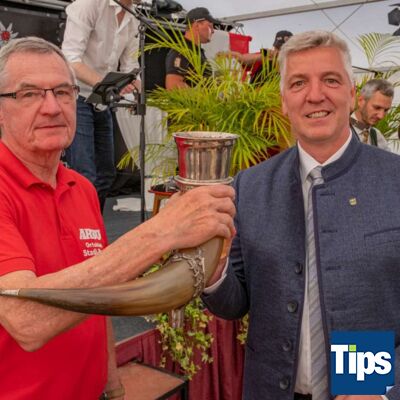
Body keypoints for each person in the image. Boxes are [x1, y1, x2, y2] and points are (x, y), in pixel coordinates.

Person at [0, 36, 235, 400]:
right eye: (29, 94)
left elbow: (100, 296)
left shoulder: (81, 188)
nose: (52, 107)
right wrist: (162, 232)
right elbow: (26, 319)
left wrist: (113, 387)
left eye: (63, 92)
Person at [203, 30, 400, 400]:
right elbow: (235, 302)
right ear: (283, 101)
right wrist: (212, 269)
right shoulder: (251, 185)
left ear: (352, 93)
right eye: (298, 83)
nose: (315, 95)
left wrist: (377, 386)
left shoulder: (394, 180)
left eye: (330, 80)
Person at [62, 0, 141, 212]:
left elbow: (131, 67)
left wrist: (136, 88)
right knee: (85, 175)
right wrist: (107, 85)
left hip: (102, 100)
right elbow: (70, 59)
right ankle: (78, 227)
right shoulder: (89, 4)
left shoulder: (134, 17)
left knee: (106, 175)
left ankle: (93, 225)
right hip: (76, 96)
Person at [165, 7, 220, 89]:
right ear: (197, 25)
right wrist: (201, 95)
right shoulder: (182, 49)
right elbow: (173, 85)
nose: (213, 31)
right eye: (210, 26)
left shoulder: (198, 51)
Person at [224, 30, 293, 86]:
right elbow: (241, 58)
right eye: (278, 48)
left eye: (285, 49)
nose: (280, 52)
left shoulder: (295, 64)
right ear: (274, 47)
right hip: (256, 97)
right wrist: (264, 56)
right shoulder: (265, 57)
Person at [350, 78, 394, 150]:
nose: (381, 116)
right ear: (360, 101)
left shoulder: (377, 136)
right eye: (377, 107)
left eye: (386, 110)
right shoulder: (339, 130)